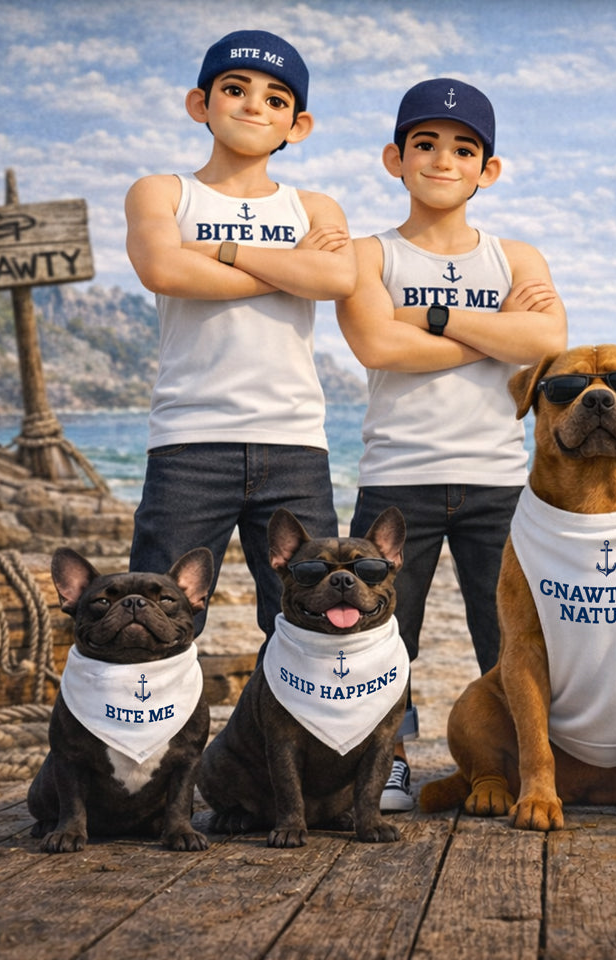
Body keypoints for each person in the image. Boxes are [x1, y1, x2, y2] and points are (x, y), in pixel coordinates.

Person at [335, 78, 568, 811]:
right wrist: (491, 329)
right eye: (425, 144)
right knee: (378, 636)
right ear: (394, 158)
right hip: (396, 478)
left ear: (486, 170)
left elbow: (546, 344)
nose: (443, 160)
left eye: (463, 148)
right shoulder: (369, 255)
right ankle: (388, 763)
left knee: (509, 638)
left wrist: (429, 317)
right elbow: (377, 343)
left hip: (500, 482)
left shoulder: (516, 256)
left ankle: (519, 766)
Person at [124, 29, 356, 642]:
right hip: (188, 444)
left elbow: (336, 276)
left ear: (296, 126)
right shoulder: (163, 191)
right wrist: (288, 270)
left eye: (277, 100)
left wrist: (220, 252)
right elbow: (164, 268)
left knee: (313, 624)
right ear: (200, 104)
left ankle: (306, 740)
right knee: (155, 622)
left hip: (295, 444)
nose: (255, 105)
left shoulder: (315, 207)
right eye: (235, 89)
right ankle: (153, 742)